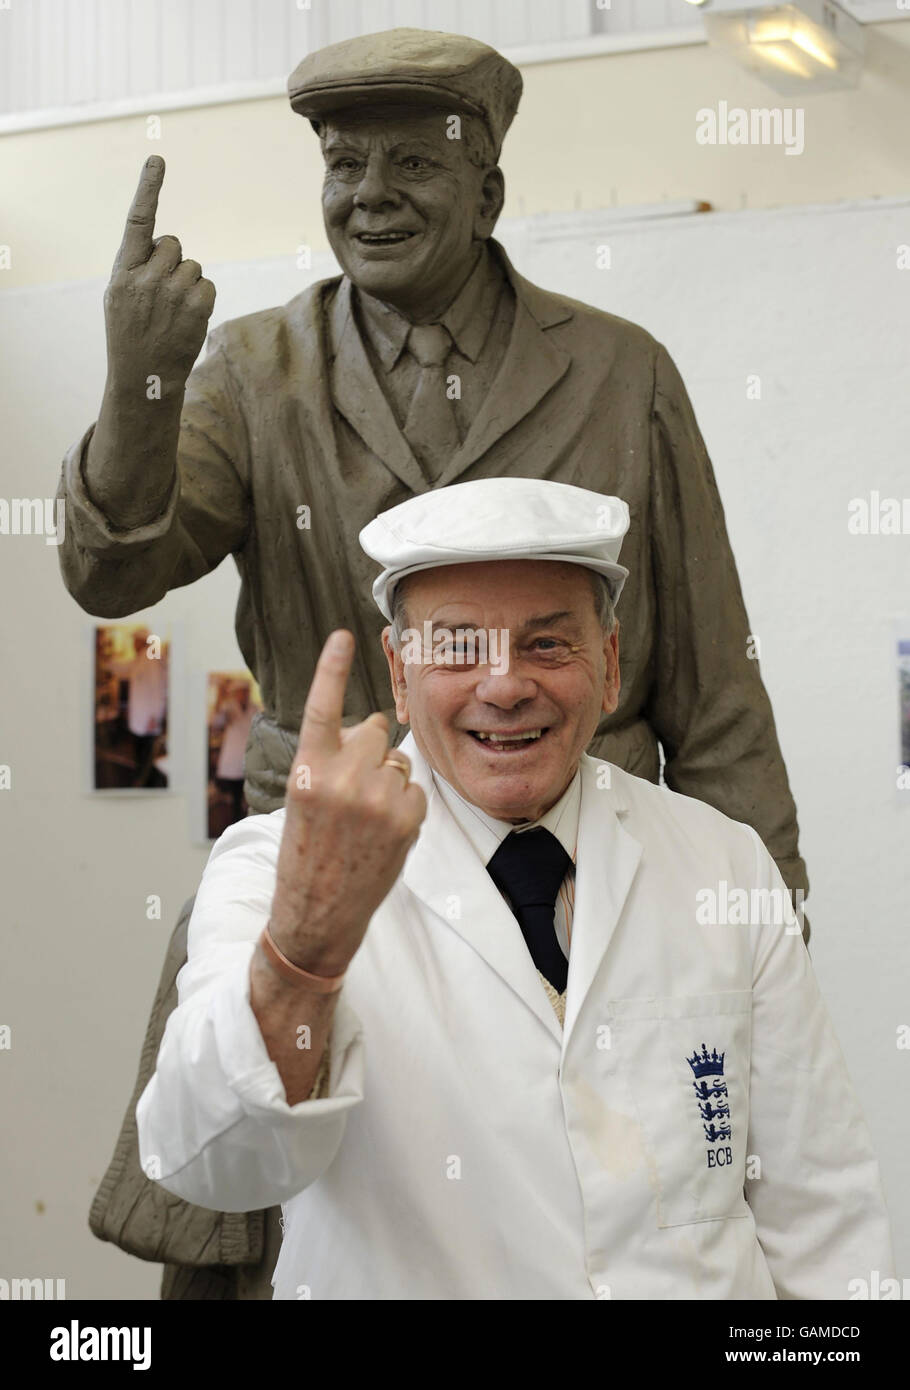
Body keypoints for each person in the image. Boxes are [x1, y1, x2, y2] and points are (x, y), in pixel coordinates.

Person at [60, 27, 811, 1295]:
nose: (369, 195)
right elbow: (112, 573)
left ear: (489, 190)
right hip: (325, 879)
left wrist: (763, 937)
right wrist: (140, 381)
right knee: (293, 1212)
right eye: (344, 165)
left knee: (601, 1216)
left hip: (581, 884)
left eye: (412, 161)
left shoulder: (620, 372)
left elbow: (715, 687)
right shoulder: (250, 372)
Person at [136, 478, 891, 1300]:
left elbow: (822, 1217)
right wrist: (306, 948)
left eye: (546, 645)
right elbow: (212, 1161)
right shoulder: (273, 867)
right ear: (398, 673)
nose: (503, 686)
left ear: (607, 666)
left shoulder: (723, 865)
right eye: (457, 646)